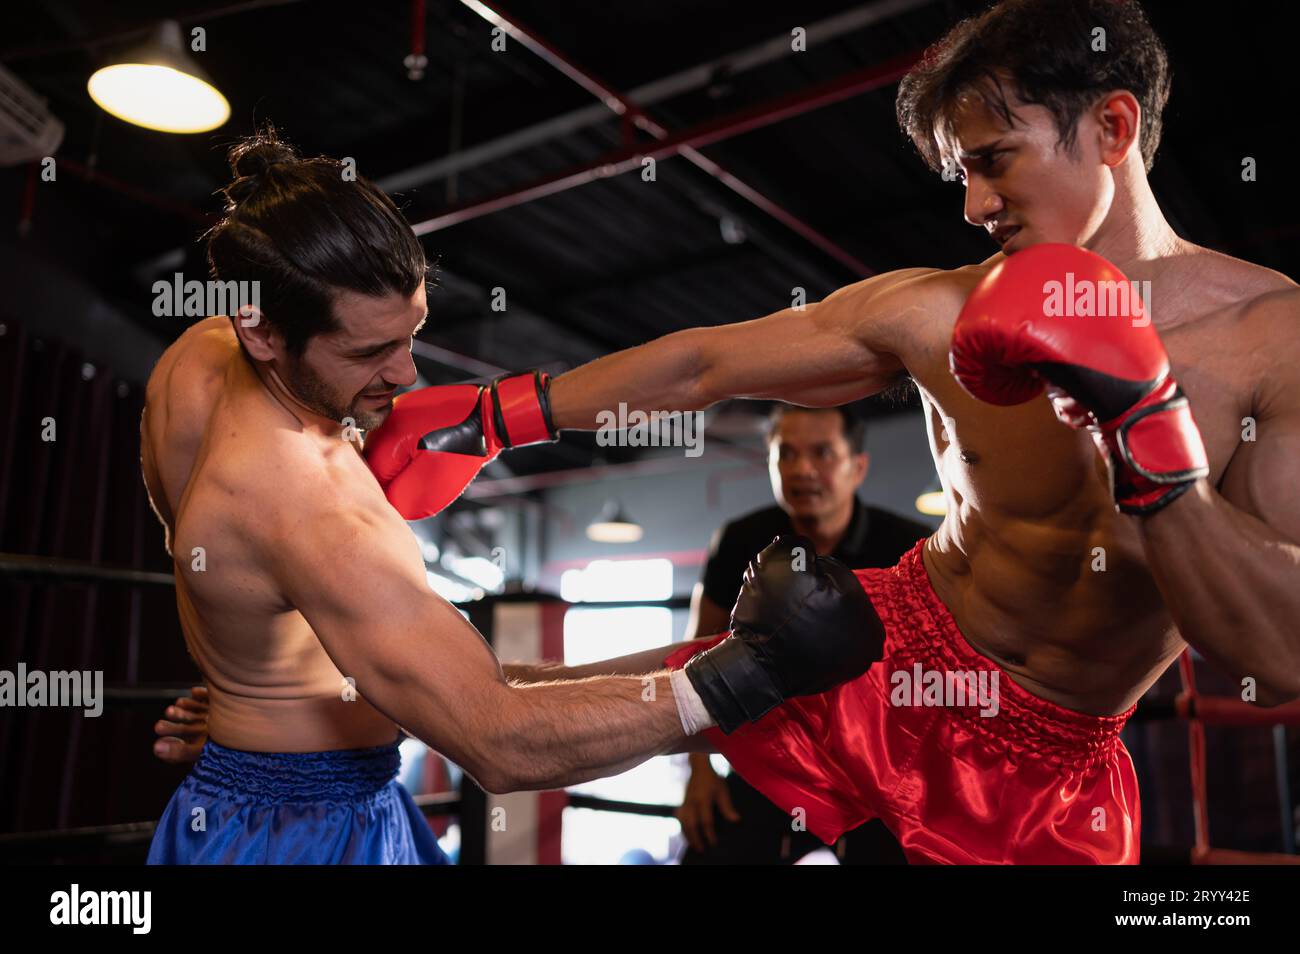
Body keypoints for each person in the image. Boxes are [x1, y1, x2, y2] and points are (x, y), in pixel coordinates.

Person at [140, 128, 877, 864]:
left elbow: (229, 580)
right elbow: (500, 740)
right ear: (262, 331)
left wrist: (258, 704)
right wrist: (746, 678)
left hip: (234, 798)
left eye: (412, 334)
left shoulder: (195, 359)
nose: (405, 376)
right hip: (313, 833)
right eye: (369, 353)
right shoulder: (313, 503)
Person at [678, 404, 926, 864]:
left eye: (822, 454)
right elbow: (696, 656)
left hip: (877, 773)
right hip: (773, 757)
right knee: (707, 848)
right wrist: (697, 772)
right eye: (785, 454)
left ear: (858, 467)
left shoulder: (910, 549)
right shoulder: (740, 541)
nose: (803, 469)